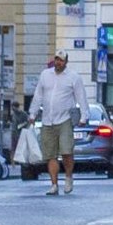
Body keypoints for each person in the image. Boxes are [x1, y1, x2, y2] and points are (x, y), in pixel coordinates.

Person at [28, 50, 87, 195]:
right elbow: (38, 95)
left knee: (67, 152)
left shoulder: (74, 77)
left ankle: (68, 177)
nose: (58, 62)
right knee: (50, 155)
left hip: (65, 119)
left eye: (61, 60)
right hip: (47, 120)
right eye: (56, 59)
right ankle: (54, 184)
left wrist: (84, 116)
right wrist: (33, 113)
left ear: (66, 62)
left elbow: (81, 96)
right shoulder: (45, 75)